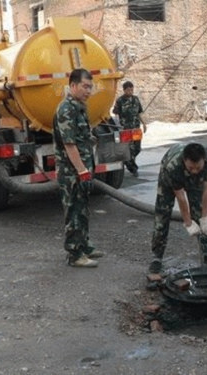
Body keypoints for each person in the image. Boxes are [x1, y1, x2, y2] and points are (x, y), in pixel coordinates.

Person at [148, 142, 207, 274]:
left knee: (198, 210)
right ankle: (157, 257)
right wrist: (188, 222)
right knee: (162, 215)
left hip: (194, 177)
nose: (194, 171)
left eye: (198, 167)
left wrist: (205, 217)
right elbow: (181, 197)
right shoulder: (173, 166)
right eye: (191, 167)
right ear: (184, 160)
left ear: (204, 160)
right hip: (168, 178)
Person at [53, 68, 103, 267]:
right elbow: (69, 144)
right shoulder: (66, 109)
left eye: (90, 87)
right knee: (73, 210)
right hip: (71, 172)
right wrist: (82, 171)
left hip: (82, 169)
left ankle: (84, 244)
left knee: (82, 209)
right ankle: (74, 254)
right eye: (85, 86)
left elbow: (82, 138)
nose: (88, 91)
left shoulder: (80, 107)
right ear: (72, 85)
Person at [113, 81, 147, 177]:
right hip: (126, 129)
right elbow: (116, 114)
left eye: (132, 90)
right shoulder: (120, 101)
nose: (130, 92)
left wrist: (144, 124)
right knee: (130, 149)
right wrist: (118, 126)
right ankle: (133, 168)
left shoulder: (135, 99)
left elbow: (139, 113)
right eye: (128, 90)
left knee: (137, 148)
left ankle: (127, 161)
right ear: (124, 90)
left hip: (136, 128)